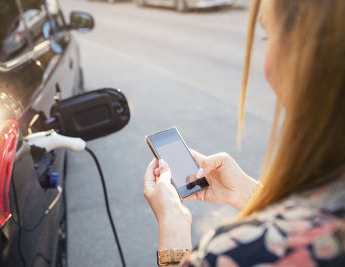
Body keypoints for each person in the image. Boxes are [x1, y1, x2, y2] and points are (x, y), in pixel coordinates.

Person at [143, 0, 345, 266]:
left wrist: (173, 227)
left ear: (305, 56)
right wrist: (246, 194)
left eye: (267, 36)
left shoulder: (242, 253)